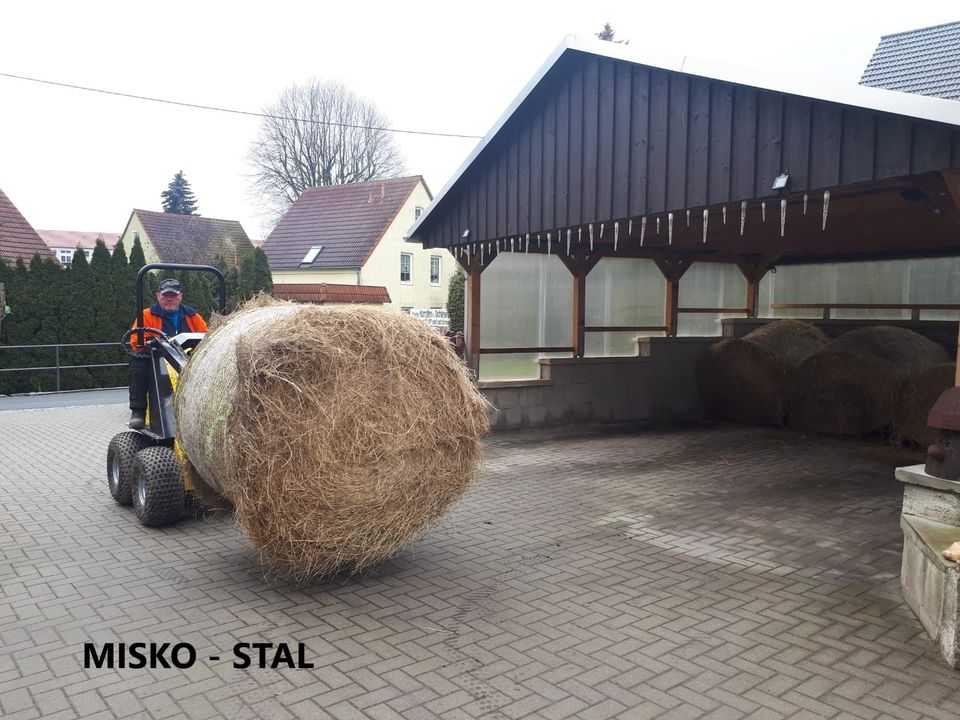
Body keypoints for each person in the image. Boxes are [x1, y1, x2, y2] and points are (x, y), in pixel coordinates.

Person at [127, 278, 208, 429]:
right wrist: (154, 344)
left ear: (180, 297)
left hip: (187, 359)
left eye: (173, 295)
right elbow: (135, 340)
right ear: (158, 296)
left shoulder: (193, 316)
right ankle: (138, 412)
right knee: (137, 367)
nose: (169, 299)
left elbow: (206, 337)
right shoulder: (146, 315)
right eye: (165, 295)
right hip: (156, 359)